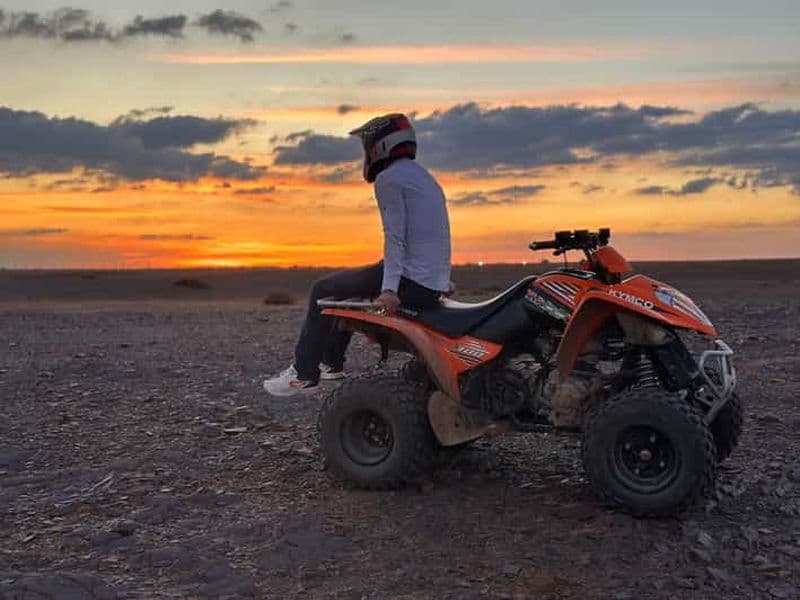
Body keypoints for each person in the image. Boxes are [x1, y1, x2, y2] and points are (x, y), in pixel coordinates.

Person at [264, 113, 452, 396]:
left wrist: (389, 290)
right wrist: (441, 279)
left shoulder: (389, 179)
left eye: (367, 145)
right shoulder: (425, 179)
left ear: (380, 146)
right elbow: (436, 234)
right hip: (428, 283)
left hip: (408, 281)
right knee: (348, 297)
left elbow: (395, 238)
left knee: (322, 289)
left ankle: (303, 374)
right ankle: (331, 363)